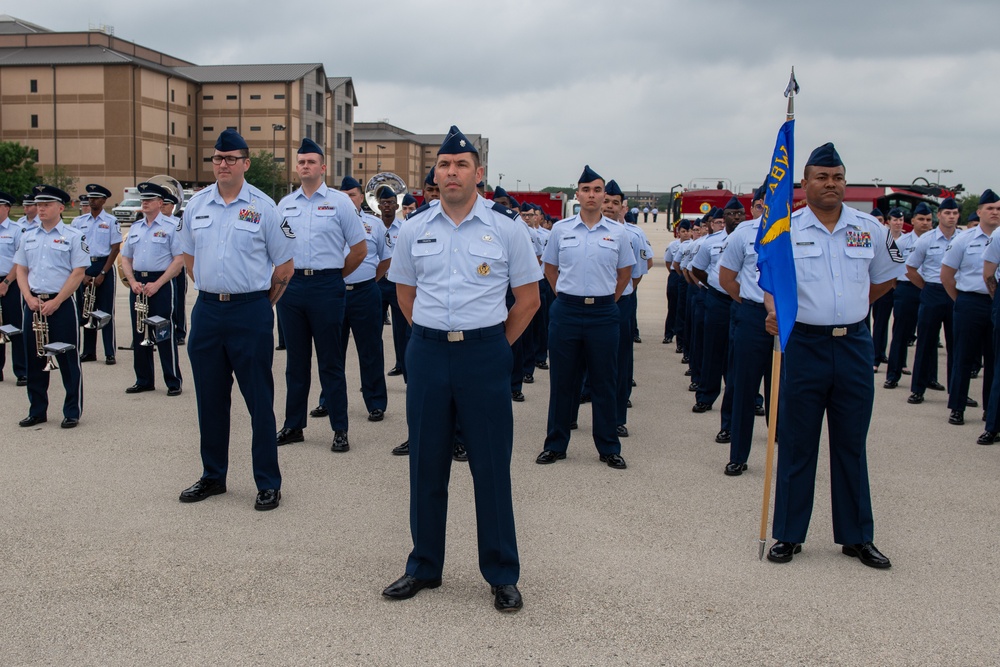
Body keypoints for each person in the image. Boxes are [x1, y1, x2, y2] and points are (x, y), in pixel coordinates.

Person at [381, 125, 539, 613]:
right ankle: (424, 566)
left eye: (462, 165)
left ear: (478, 173)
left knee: (491, 468)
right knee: (426, 464)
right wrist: (433, 337)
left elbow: (529, 299)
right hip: (428, 354)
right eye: (445, 166)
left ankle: (501, 573)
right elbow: (404, 293)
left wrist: (490, 346)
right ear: (436, 173)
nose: (452, 172)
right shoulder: (414, 227)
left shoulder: (506, 228)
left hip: (484, 355)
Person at [766, 143, 897, 569]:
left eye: (838, 177)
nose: (831, 184)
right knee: (798, 443)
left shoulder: (869, 228)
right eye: (822, 177)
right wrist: (776, 313)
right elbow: (772, 281)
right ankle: (788, 533)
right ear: (804, 183)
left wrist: (851, 311)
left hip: (855, 345)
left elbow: (882, 280)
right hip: (804, 345)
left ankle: (857, 536)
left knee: (851, 443)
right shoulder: (785, 228)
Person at [176, 129, 296, 511]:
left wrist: (262, 305)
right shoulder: (197, 205)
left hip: (250, 311)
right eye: (217, 158)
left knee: (259, 401)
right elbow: (189, 257)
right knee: (210, 400)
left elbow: (285, 266)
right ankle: (213, 476)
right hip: (209, 311)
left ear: (246, 163)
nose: (223, 164)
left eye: (231, 158)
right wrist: (213, 291)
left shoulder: (264, 207)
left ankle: (267, 482)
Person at [535, 166, 635, 469]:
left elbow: (624, 273)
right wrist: (567, 296)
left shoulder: (618, 232)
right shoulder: (561, 230)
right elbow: (550, 269)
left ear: (604, 195)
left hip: (604, 313)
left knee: (605, 381)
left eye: (597, 190)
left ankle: (608, 447)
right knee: (563, 381)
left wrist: (604, 300)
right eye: (586, 190)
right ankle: (555, 444)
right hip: (566, 311)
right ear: (577, 194)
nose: (591, 195)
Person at [275, 140, 366, 452]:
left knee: (330, 362)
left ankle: (339, 428)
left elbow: (359, 250)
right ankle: (293, 425)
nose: (305, 166)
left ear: (323, 167)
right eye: (301, 162)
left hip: (327, 286)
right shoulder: (285, 205)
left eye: (311, 162)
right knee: (295, 362)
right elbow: (278, 247)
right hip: (293, 287)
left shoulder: (341, 203)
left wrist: (335, 278)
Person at [13, 185, 89, 428]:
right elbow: (21, 269)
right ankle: (37, 410)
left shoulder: (73, 236)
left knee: (67, 358)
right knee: (34, 358)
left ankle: (71, 411)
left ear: (60, 207)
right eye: (38, 204)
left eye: (46, 204)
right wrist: (27, 297)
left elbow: (78, 272)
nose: (41, 208)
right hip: (33, 303)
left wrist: (57, 302)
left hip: (62, 303)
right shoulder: (28, 235)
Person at [719, 185, 772, 475]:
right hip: (752, 316)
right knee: (744, 388)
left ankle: (783, 444)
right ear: (758, 203)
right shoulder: (744, 232)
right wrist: (751, 302)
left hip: (790, 320)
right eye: (766, 201)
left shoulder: (799, 231)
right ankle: (738, 453)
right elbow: (726, 277)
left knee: (786, 390)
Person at [119, 182, 185, 396]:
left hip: (162, 283)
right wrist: (132, 281)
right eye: (143, 200)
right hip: (138, 284)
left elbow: (179, 260)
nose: (144, 203)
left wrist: (158, 284)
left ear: (160, 203)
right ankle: (144, 379)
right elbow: (126, 258)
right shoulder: (136, 228)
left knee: (164, 332)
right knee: (140, 332)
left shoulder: (171, 226)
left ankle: (173, 380)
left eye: (149, 200)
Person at [941, 189, 1000, 426]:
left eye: (998, 209)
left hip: (996, 304)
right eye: (990, 208)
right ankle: (957, 407)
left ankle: (991, 409)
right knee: (963, 356)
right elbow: (946, 275)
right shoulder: (963, 239)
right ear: (979, 212)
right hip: (970, 302)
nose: (995, 212)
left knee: (994, 359)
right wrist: (961, 301)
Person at [340, 181, 391, 424]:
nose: (348, 199)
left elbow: (385, 258)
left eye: (352, 195)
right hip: (335, 294)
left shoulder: (374, 224)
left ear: (361, 198)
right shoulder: (330, 222)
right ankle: (328, 400)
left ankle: (376, 402)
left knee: (370, 350)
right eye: (343, 195)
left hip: (365, 293)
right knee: (332, 351)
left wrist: (369, 280)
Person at [906, 197, 960, 404]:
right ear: (939, 216)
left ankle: (957, 392)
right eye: (947, 213)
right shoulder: (926, 240)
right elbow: (910, 269)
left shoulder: (963, 238)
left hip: (955, 293)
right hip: (933, 291)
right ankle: (918, 389)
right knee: (926, 342)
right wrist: (926, 288)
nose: (951, 217)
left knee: (957, 345)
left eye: (955, 213)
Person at [71, 184, 121, 364]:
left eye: (96, 198)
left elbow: (115, 248)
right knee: (86, 310)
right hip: (84, 267)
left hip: (103, 266)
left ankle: (109, 352)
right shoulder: (78, 222)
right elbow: (74, 248)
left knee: (106, 311)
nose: (92, 200)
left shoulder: (111, 221)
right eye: (90, 198)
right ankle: (89, 351)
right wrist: (81, 273)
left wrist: (102, 273)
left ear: (104, 200)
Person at [883, 205, 931, 388]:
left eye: (928, 220)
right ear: (913, 221)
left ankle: (929, 377)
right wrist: (899, 288)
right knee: (901, 333)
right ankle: (893, 374)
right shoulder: (902, 242)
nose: (925, 223)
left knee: (929, 337)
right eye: (921, 219)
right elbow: (893, 269)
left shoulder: (935, 240)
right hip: (906, 289)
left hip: (929, 289)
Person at [0, 190, 27, 385]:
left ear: (7, 208)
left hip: (10, 282)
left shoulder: (17, 230)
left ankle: (21, 370)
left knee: (15, 327)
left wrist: (6, 282)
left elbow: (19, 261)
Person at [381, 190, 409, 378]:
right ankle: (373, 377)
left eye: (391, 202)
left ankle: (405, 368)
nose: (387, 206)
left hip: (398, 283)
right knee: (372, 331)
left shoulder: (405, 227)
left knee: (402, 329)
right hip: (378, 282)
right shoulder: (373, 226)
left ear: (396, 206)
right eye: (384, 202)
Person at [871, 208, 902, 372]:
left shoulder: (890, 237)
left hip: (888, 287)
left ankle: (881, 352)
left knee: (884, 322)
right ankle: (874, 355)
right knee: (872, 323)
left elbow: (896, 266)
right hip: (871, 286)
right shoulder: (869, 233)